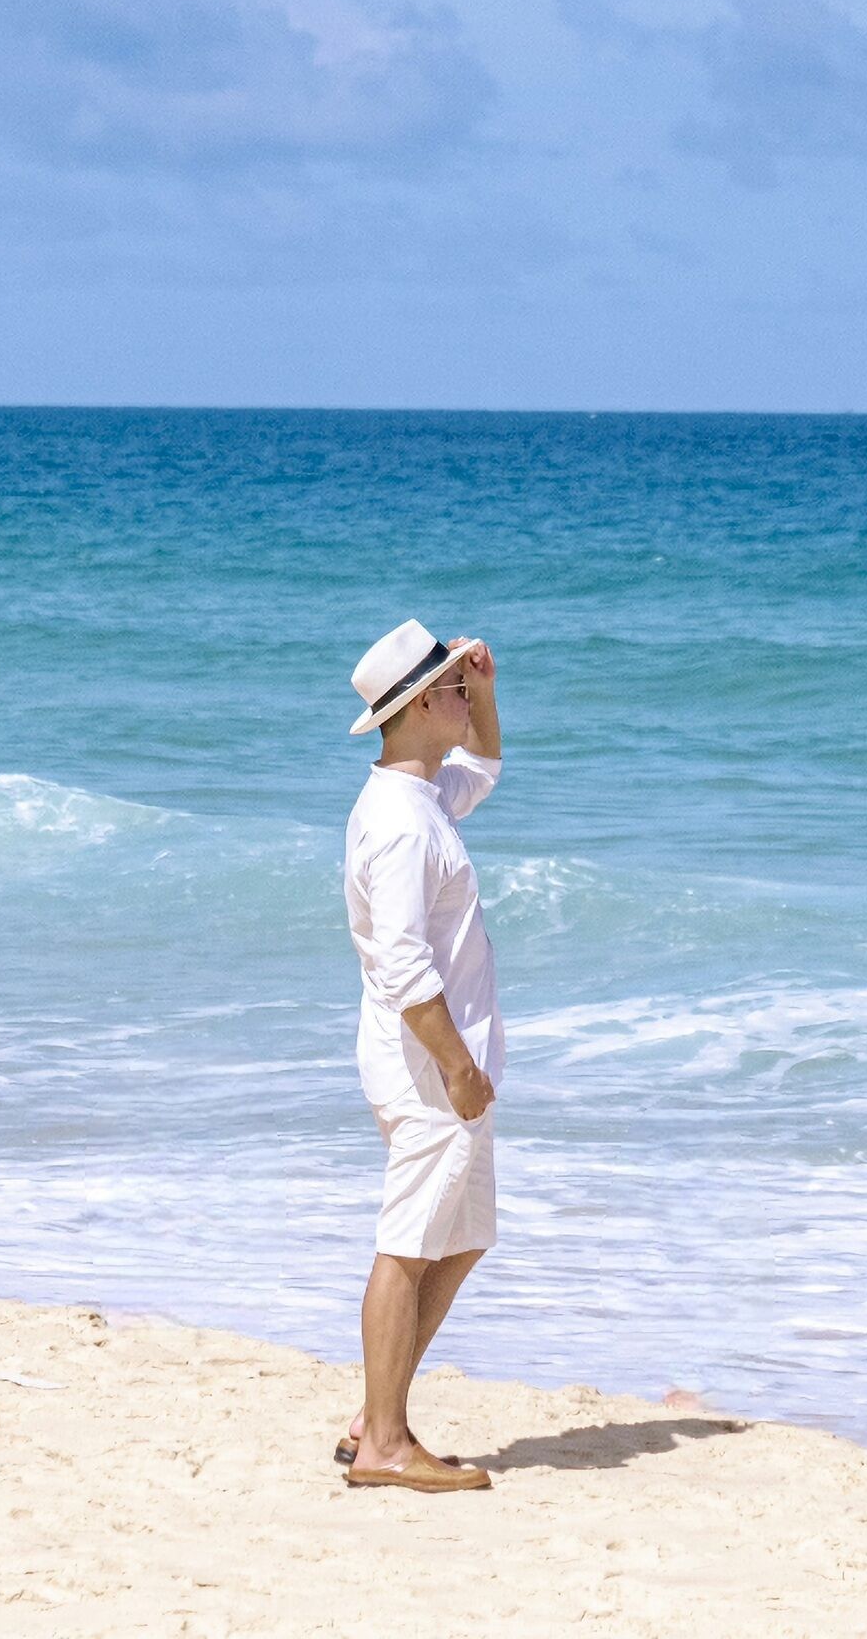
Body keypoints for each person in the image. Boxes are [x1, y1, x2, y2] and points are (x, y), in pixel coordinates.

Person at [334, 618, 506, 1493]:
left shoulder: (423, 795)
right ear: (418, 708)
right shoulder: (402, 823)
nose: (464, 700)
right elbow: (403, 963)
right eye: (453, 690)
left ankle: (376, 1412)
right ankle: (385, 1446)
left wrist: (487, 688)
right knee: (406, 1246)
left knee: (462, 1238)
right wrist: (458, 1066)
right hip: (428, 1068)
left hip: (441, 1064)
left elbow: (486, 766)